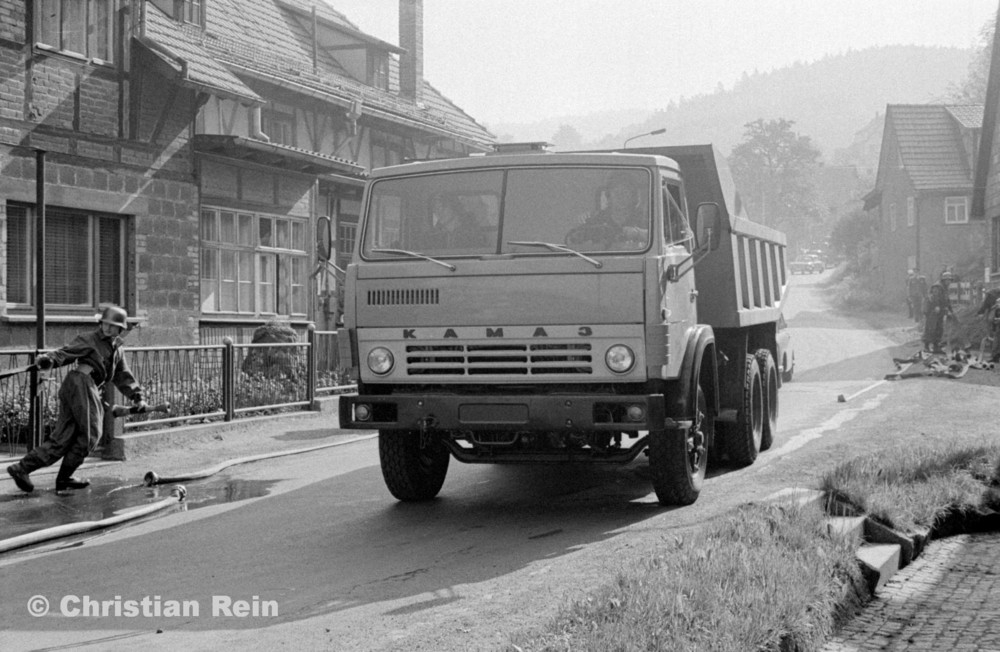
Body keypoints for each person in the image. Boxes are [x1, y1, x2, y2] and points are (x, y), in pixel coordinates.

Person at [6, 306, 146, 493]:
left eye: (113, 326)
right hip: (81, 385)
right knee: (91, 435)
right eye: (105, 323)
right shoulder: (90, 339)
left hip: (86, 388)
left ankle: (23, 469)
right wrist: (49, 359)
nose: (107, 328)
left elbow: (123, 375)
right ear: (100, 322)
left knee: (64, 437)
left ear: (121, 329)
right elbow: (66, 353)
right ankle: (63, 478)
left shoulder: (117, 349)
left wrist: (138, 397)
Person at [569, 173, 648, 245]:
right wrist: (580, 225)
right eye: (617, 192)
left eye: (625, 192)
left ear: (633, 197)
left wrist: (637, 234)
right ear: (609, 196)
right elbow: (575, 241)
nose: (621, 197)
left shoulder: (644, 218)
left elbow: (657, 237)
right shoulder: (597, 219)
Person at [922, 283, 953, 354]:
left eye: (949, 280)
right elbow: (933, 297)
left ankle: (936, 346)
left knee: (939, 329)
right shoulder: (937, 287)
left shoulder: (945, 290)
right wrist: (936, 306)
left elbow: (946, 302)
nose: (947, 282)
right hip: (932, 313)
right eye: (946, 280)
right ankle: (926, 346)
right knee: (930, 329)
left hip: (940, 314)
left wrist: (950, 311)